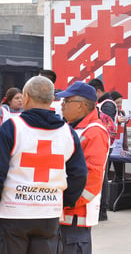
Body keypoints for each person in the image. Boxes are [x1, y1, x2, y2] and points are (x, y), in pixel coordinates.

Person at [0, 76, 88, 254]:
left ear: (26, 97)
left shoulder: (12, 127)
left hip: (13, 214)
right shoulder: (67, 133)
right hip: (49, 215)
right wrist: (62, 201)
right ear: (51, 100)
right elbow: (79, 175)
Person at [57, 81, 110, 254]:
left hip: (75, 216)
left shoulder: (94, 132)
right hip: (67, 214)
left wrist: (67, 203)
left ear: (81, 106)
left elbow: (92, 179)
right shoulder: (74, 128)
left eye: (66, 101)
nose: (62, 105)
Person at [88, 78, 117, 221]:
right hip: (100, 142)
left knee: (102, 176)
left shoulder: (108, 104)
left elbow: (106, 123)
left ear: (98, 91)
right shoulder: (101, 103)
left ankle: (103, 209)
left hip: (104, 143)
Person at [109, 90, 130, 180]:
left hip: (120, 148)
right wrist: (116, 121)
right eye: (117, 102)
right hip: (110, 147)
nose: (119, 104)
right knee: (105, 172)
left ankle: (118, 192)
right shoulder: (108, 113)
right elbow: (107, 124)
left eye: (120, 102)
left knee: (119, 174)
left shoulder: (122, 113)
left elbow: (124, 129)